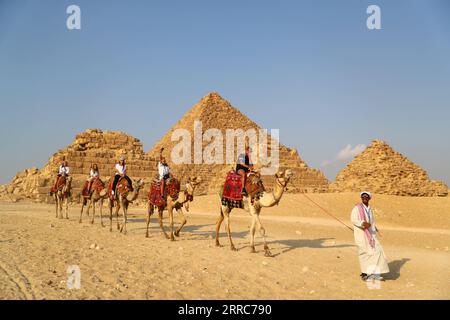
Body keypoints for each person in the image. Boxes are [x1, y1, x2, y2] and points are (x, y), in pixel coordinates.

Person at [350, 191, 389, 281]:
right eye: (363, 197)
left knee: (377, 252)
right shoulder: (357, 208)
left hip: (371, 235)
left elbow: (371, 221)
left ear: (369, 198)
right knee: (364, 253)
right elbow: (353, 219)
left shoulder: (369, 209)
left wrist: (375, 228)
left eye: (366, 197)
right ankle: (365, 274)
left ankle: (374, 273)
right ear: (361, 198)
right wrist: (362, 223)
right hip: (361, 234)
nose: (364, 198)